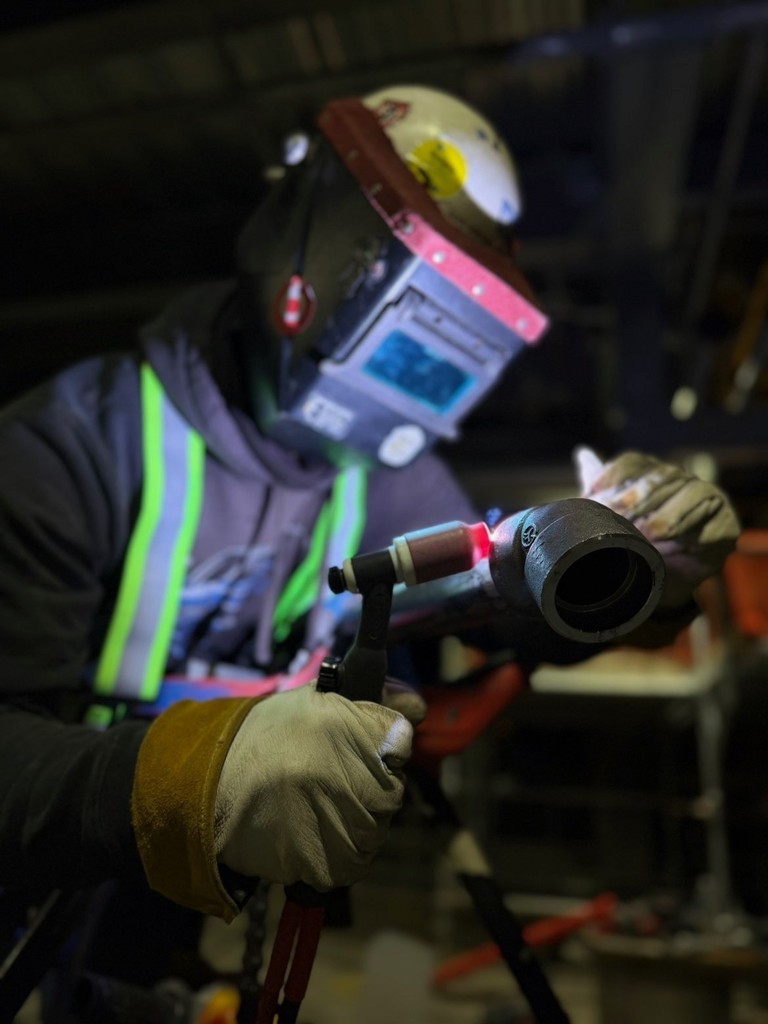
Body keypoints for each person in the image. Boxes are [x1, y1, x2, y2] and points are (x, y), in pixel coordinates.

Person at [0, 84, 739, 1012]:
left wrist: (646, 572)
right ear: (312, 253)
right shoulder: (71, 449)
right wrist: (190, 775)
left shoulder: (384, 481)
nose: (404, 398)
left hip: (184, 899)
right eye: (409, 327)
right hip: (36, 885)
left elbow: (507, 602)